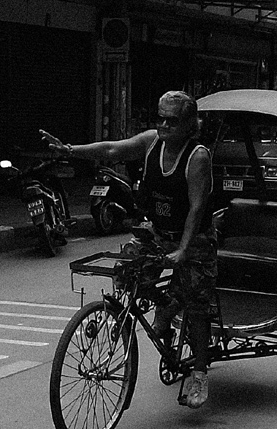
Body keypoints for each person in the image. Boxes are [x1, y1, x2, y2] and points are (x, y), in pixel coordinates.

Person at [40, 91, 216, 409]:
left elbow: (197, 208)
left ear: (189, 125)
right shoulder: (151, 142)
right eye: (159, 118)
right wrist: (69, 150)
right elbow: (111, 149)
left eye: (171, 121)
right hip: (157, 233)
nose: (163, 125)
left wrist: (184, 250)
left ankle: (200, 372)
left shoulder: (197, 157)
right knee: (126, 271)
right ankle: (166, 303)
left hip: (194, 237)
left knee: (196, 303)